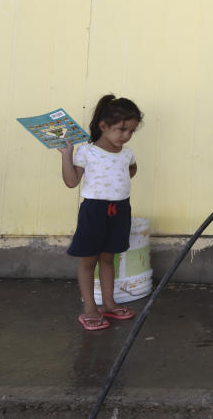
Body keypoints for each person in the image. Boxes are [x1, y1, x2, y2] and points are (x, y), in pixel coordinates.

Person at [59, 95, 144, 331]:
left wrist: (118, 180)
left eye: (131, 131)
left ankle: (109, 303)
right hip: (94, 211)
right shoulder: (87, 152)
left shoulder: (127, 154)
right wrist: (67, 154)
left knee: (108, 258)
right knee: (89, 260)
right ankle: (90, 308)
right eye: (121, 129)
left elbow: (131, 169)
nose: (125, 136)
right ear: (103, 126)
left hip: (120, 210)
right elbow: (71, 181)